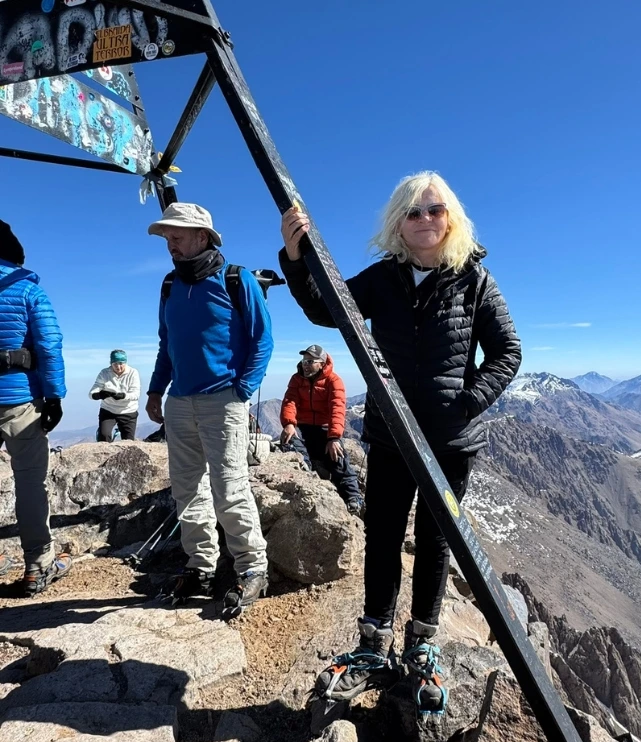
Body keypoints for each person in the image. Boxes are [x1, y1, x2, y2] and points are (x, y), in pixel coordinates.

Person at [278, 172, 521, 713]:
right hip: (391, 439)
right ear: (398, 223)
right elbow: (326, 308)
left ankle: (422, 644)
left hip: (450, 445)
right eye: (413, 212)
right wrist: (295, 259)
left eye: (435, 209)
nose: (425, 219)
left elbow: (508, 351)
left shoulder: (474, 279)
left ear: (451, 216)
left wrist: (464, 403)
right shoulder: (383, 279)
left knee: (436, 542)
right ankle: (373, 643)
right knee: (384, 535)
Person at [145, 203, 273, 620]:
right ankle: (200, 567)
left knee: (229, 486)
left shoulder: (236, 279)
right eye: (167, 238)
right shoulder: (169, 285)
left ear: (202, 236)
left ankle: (252, 566)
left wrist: (241, 391)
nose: (171, 245)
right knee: (188, 489)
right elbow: (169, 346)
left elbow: (262, 340)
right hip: (179, 401)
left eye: (177, 236)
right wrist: (155, 391)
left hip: (223, 398)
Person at [0, 220, 71, 595]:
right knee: (30, 482)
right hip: (19, 401)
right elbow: (49, 345)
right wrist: (55, 397)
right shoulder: (26, 290)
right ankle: (37, 565)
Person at [279, 344, 363, 515]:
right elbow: (290, 401)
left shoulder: (334, 381)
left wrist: (334, 438)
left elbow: (337, 409)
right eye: (304, 361)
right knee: (291, 442)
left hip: (324, 427)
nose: (305, 365)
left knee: (337, 455)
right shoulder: (296, 379)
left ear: (322, 363)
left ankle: (353, 496)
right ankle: (309, 479)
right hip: (302, 425)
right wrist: (289, 423)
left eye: (310, 361)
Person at [89, 349, 141, 441]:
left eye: (121, 363)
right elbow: (93, 391)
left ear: (125, 362)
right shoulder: (104, 373)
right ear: (111, 363)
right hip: (108, 410)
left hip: (128, 411)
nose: (118, 366)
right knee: (104, 436)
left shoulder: (133, 373)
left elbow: (136, 394)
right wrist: (99, 395)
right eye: (115, 363)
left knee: (128, 442)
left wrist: (123, 396)